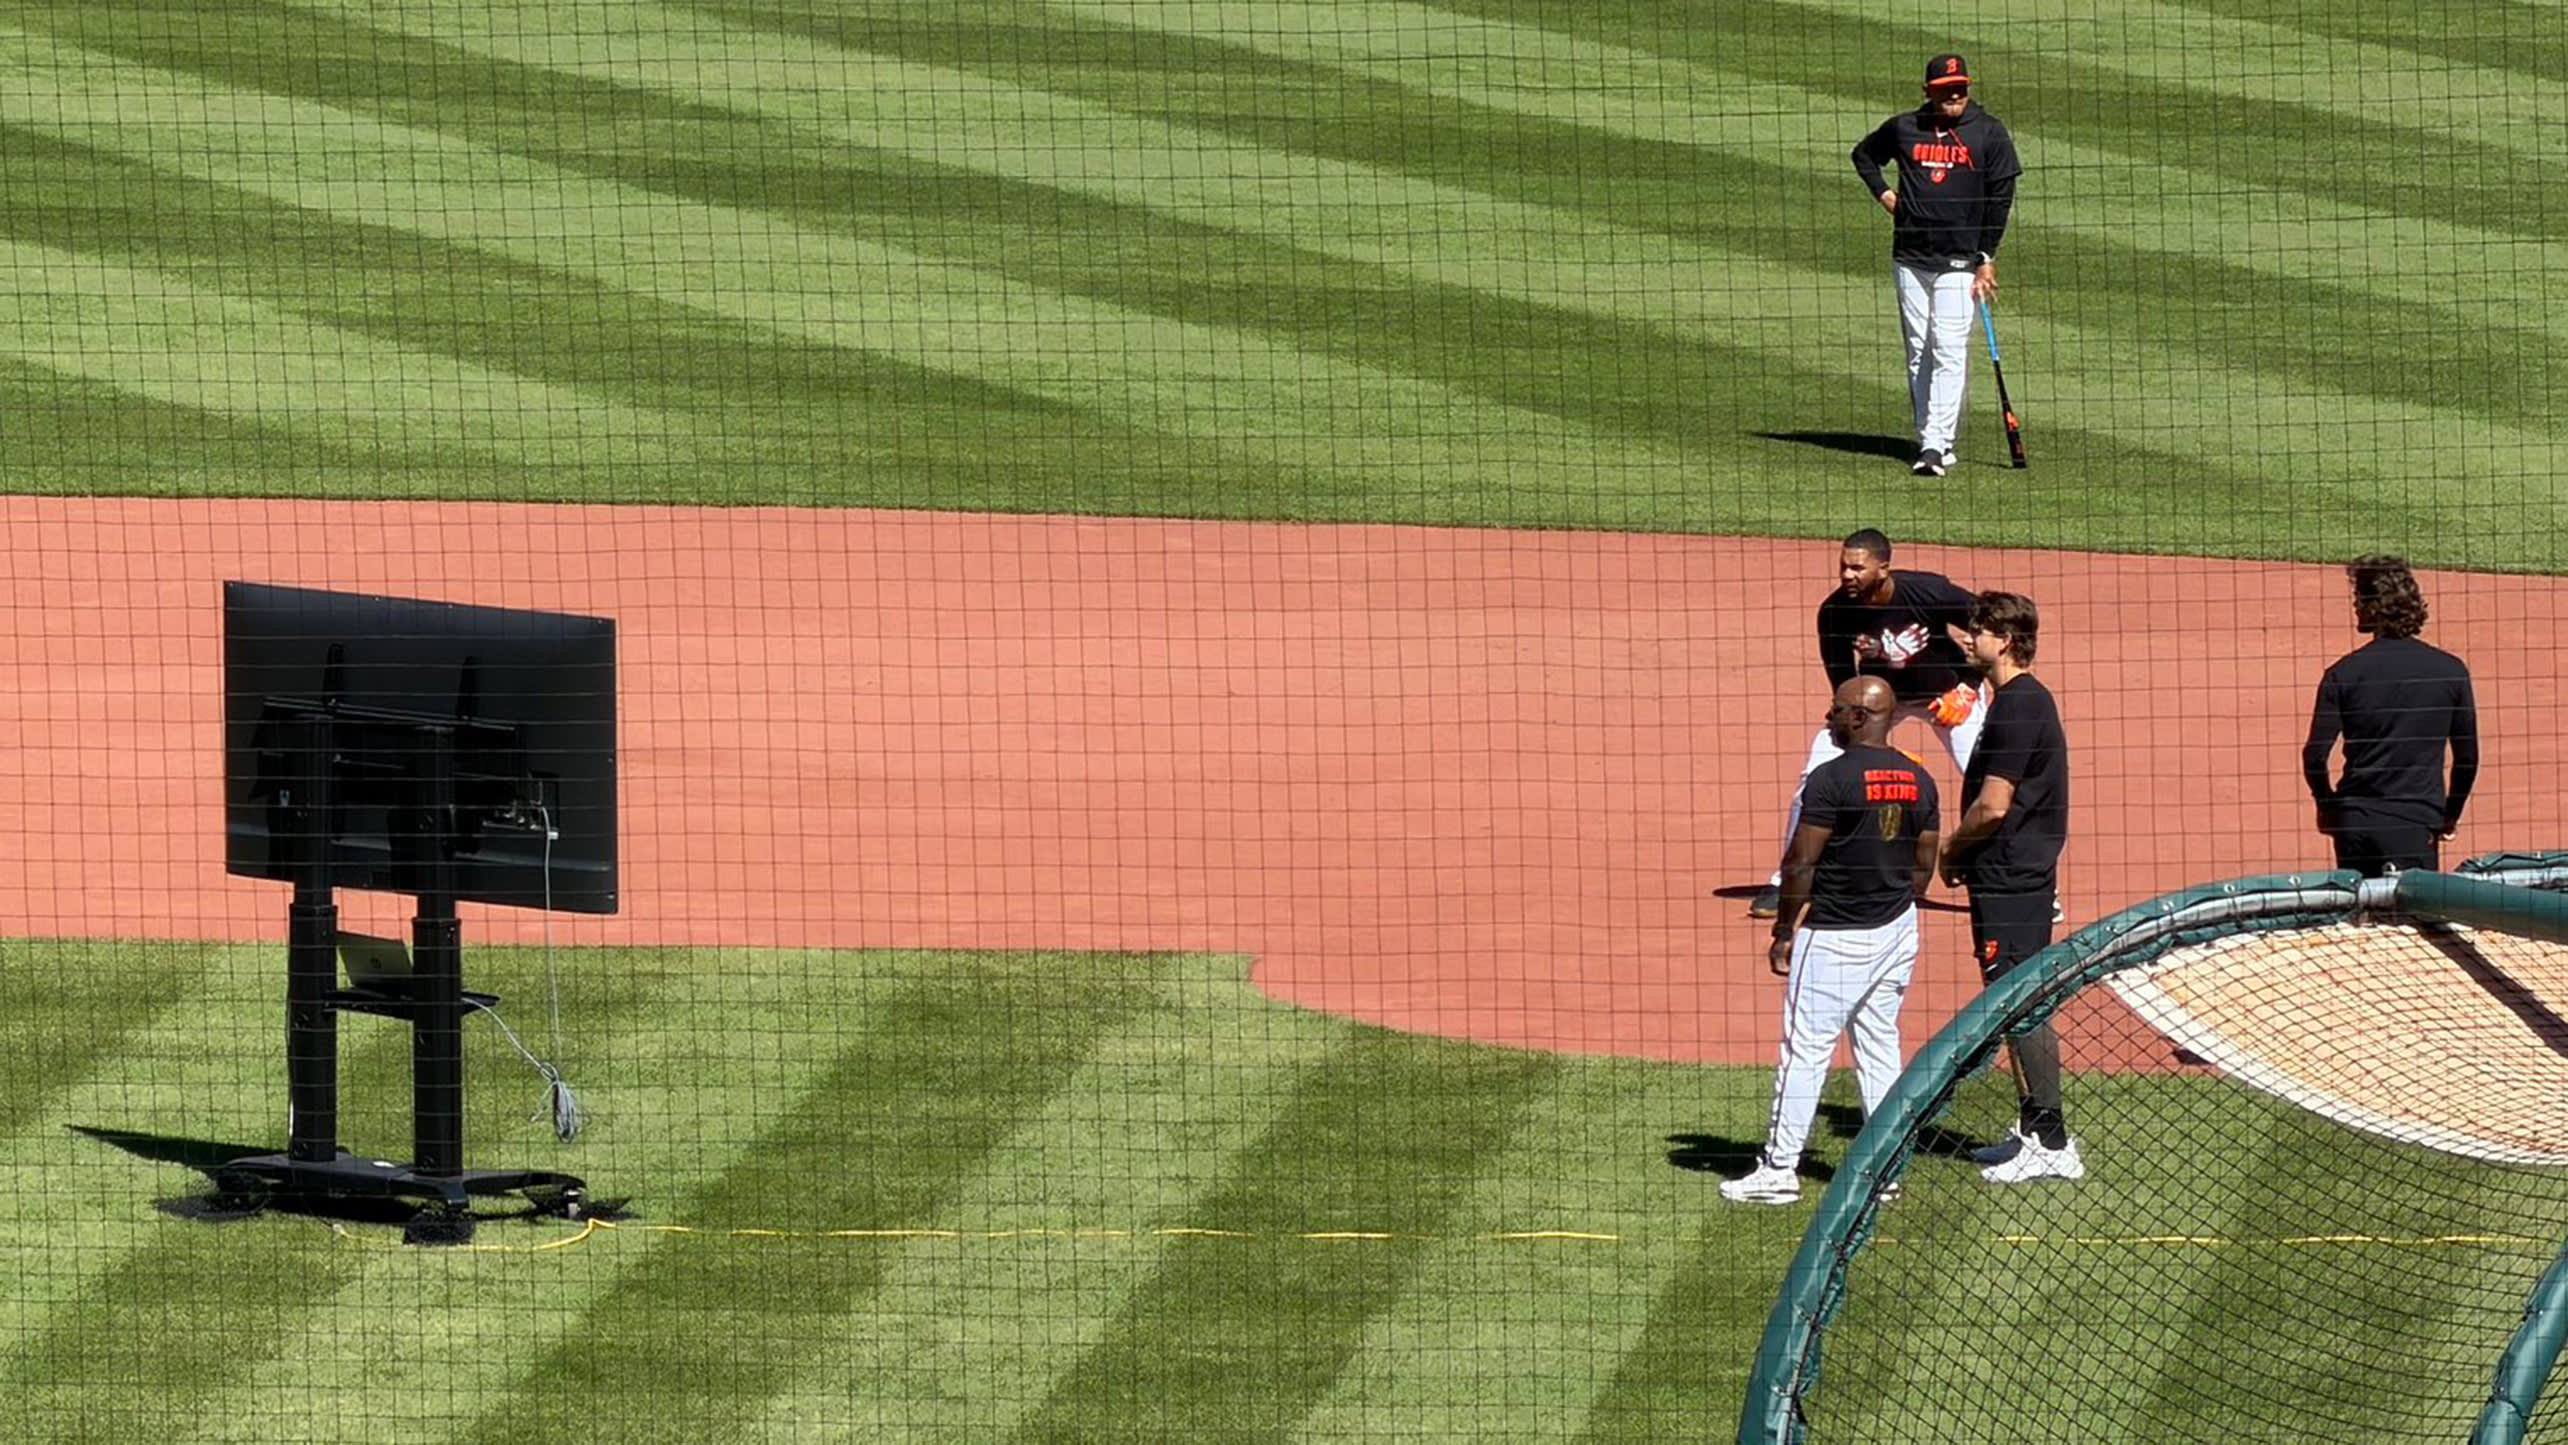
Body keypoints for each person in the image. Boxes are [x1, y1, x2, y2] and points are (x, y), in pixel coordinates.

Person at [1723, 677, 1941, 1205]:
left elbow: (1801, 862)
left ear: (1862, 716)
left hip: (1836, 935)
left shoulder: (1830, 778)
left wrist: (1783, 929)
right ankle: (1885, 1170)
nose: (1829, 717)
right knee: (1880, 1046)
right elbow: (1924, 863)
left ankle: (1778, 1168)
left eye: (1837, 710)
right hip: (1896, 929)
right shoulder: (1920, 778)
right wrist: (1893, 898)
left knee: (1806, 1050)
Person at [1750, 529, 1982, 919]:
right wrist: (1851, 734)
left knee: (1987, 776)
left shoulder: (1928, 593)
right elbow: (1843, 680)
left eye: (1857, 567)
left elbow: (1990, 626)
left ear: (1883, 568)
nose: (1847, 575)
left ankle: (2023, 882)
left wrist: (1970, 686)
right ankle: (1786, 881)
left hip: (1944, 695)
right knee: (1816, 772)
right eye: (1843, 566)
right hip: (1878, 703)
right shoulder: (1835, 612)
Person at [1937, 592, 2081, 1184]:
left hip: (2012, 877)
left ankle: (2051, 1140)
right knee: (2013, 999)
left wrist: (1951, 847)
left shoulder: (2021, 705)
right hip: (2011, 873)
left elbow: (1993, 807)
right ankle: (2035, 1129)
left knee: (2022, 1002)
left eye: (1979, 629)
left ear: (2008, 639)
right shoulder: (2014, 701)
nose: (1969, 638)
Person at [1851, 53, 2022, 478]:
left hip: (1961, 260)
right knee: (1918, 349)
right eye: (1946, 88)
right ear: (1928, 91)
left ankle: (1934, 444)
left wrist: (1987, 259)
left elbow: (2000, 199)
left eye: (1961, 86)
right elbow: (1864, 156)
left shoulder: (1989, 133)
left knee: (1947, 346)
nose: (1955, 94)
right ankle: (1931, 436)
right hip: (1909, 256)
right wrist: (1885, 196)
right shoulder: (1904, 128)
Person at [2302, 555, 2479, 877]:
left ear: (2376, 606)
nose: (2356, 607)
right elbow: (2467, 759)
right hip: (2416, 822)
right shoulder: (2450, 672)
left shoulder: (2343, 673)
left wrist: (2327, 806)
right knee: (2411, 922)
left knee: (2361, 924)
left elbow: (2315, 756)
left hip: (2355, 821)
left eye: (2359, 599)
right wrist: (2448, 814)